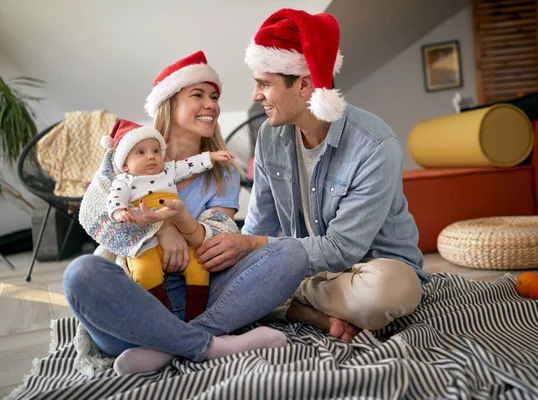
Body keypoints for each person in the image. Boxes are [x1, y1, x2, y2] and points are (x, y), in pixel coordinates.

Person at [65, 50, 309, 376]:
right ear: (169, 103)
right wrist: (161, 229)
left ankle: (168, 346)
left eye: (214, 96)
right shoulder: (127, 153)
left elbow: (218, 244)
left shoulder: (222, 172)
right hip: (136, 301)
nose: (211, 104)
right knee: (80, 274)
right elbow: (95, 215)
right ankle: (210, 343)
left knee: (291, 253)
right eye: (198, 95)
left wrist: (180, 219)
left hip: (202, 295)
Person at [195, 9, 430, 342]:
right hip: (307, 266)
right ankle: (295, 304)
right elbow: (260, 226)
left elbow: (342, 249)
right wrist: (242, 253)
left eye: (264, 83)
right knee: (212, 282)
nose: (255, 95)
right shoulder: (268, 137)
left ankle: (285, 300)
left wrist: (260, 259)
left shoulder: (375, 145)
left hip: (371, 269)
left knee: (383, 295)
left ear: (304, 84)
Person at [103, 118, 234, 321]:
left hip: (178, 228)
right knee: (145, 270)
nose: (151, 157)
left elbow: (190, 165)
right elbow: (114, 199)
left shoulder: (168, 170)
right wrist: (119, 212)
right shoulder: (124, 180)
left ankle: (196, 314)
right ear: (125, 164)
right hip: (146, 238)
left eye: (156, 151)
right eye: (141, 152)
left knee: (199, 266)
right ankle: (161, 317)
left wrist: (212, 156)